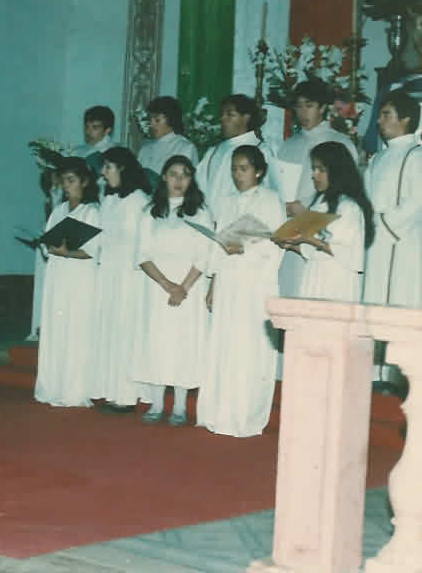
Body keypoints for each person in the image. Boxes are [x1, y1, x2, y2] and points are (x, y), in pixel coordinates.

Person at [197, 145, 285, 438]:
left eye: (243, 168)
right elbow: (216, 244)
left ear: (259, 171)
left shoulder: (271, 201)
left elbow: (276, 243)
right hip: (229, 280)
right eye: (234, 168)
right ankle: (219, 412)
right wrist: (212, 284)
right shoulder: (226, 201)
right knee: (225, 343)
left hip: (255, 281)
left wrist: (244, 249)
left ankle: (244, 414)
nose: (238, 174)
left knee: (249, 345)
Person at [362, 88, 422, 388]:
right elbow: (366, 199)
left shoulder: (417, 157)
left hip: (400, 245)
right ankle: (374, 375)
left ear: (405, 119)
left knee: (399, 305)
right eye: (380, 114)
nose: (379, 121)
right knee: (375, 304)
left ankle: (399, 379)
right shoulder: (378, 159)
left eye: (386, 115)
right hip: (376, 245)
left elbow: (419, 203)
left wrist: (383, 224)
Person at [130, 156, 212, 425]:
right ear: (164, 176)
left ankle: (178, 407)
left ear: (191, 179)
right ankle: (155, 403)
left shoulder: (200, 213)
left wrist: (183, 288)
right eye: (173, 174)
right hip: (157, 287)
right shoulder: (150, 213)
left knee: (183, 342)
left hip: (189, 288)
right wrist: (167, 285)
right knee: (157, 341)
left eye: (185, 175)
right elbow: (142, 254)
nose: (179, 180)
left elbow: (205, 255)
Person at [277, 79, 359, 298]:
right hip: (289, 233)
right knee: (289, 296)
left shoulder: (340, 143)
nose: (303, 112)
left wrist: (303, 208)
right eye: (299, 106)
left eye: (309, 105)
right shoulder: (288, 145)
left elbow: (347, 190)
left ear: (323, 107)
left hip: (324, 235)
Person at [35, 157, 102, 407]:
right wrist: (47, 245)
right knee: (57, 328)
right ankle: (53, 385)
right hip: (59, 275)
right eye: (63, 181)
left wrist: (67, 253)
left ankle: (74, 389)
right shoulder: (59, 211)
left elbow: (95, 251)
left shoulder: (92, 211)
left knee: (76, 330)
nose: (66, 186)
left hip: (80, 277)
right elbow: (49, 243)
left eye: (71, 181)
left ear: (84, 182)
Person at [90, 147, 152, 412]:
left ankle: (126, 394)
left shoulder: (139, 200)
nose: (103, 173)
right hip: (109, 272)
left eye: (108, 167)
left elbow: (142, 241)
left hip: (130, 275)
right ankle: (109, 388)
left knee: (126, 332)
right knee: (109, 330)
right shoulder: (109, 200)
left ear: (123, 169)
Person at [276, 141, 375, 302]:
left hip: (337, 280)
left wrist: (307, 239)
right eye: (313, 169)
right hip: (315, 275)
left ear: (337, 171)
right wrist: (291, 245)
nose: (314, 175)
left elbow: (342, 252)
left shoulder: (349, 208)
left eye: (321, 170)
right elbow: (312, 249)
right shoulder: (320, 202)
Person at [195, 94, 277, 224]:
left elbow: (269, 192)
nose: (222, 118)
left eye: (230, 114)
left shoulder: (261, 150)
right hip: (209, 224)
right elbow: (199, 188)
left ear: (246, 118)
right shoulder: (214, 151)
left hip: (242, 226)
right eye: (222, 114)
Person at [27, 169, 64, 341]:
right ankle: (38, 326)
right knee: (42, 286)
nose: (54, 179)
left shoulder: (63, 197)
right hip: (46, 243)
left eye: (56, 174)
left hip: (60, 244)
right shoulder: (49, 197)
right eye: (50, 176)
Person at [137, 96, 198, 192]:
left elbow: (183, 184)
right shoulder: (145, 148)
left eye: (157, 120)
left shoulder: (185, 147)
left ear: (171, 119)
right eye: (150, 119)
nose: (151, 124)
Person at [71, 105, 117, 197]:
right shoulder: (76, 151)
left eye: (95, 127)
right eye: (87, 127)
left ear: (108, 130)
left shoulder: (116, 152)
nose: (88, 132)